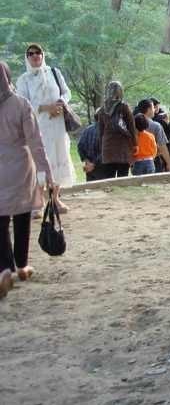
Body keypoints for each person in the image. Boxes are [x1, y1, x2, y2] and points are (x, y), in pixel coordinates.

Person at [0, 61, 58, 299]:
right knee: (22, 216)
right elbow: (36, 142)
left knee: (0, 221)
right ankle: (22, 266)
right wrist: (47, 174)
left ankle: (5, 268)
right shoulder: (21, 104)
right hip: (20, 168)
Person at [14, 44, 74, 211]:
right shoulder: (24, 80)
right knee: (40, 161)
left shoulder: (54, 72)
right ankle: (37, 203)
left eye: (38, 52)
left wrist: (60, 103)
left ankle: (55, 200)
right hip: (38, 127)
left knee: (60, 157)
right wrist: (46, 108)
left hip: (58, 125)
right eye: (31, 53)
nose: (35, 56)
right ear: (27, 57)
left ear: (43, 54)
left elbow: (67, 92)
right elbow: (23, 104)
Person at [97, 81, 137, 178]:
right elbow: (131, 127)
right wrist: (135, 144)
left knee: (109, 179)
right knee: (122, 179)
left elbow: (101, 132)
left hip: (107, 149)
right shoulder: (124, 107)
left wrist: (102, 148)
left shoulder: (102, 109)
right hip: (123, 148)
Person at [135, 99, 170, 172]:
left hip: (136, 162)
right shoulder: (156, 126)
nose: (154, 110)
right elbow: (163, 147)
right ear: (149, 109)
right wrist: (169, 163)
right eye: (153, 107)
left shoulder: (132, 124)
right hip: (153, 162)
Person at [77, 109, 103, 181]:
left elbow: (80, 147)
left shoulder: (87, 130)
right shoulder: (106, 130)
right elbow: (106, 150)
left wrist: (87, 162)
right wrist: (93, 164)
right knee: (104, 187)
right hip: (101, 167)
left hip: (89, 167)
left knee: (91, 187)